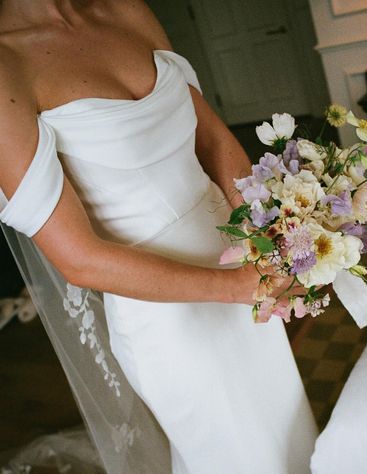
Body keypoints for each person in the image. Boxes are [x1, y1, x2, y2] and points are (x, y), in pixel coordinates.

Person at [0, 1, 318, 472]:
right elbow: (79, 259)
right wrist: (237, 287)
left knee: (285, 427)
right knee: (235, 454)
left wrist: (271, 241)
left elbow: (212, 139)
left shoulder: (128, 10)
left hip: (241, 264)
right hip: (168, 316)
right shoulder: (7, 64)